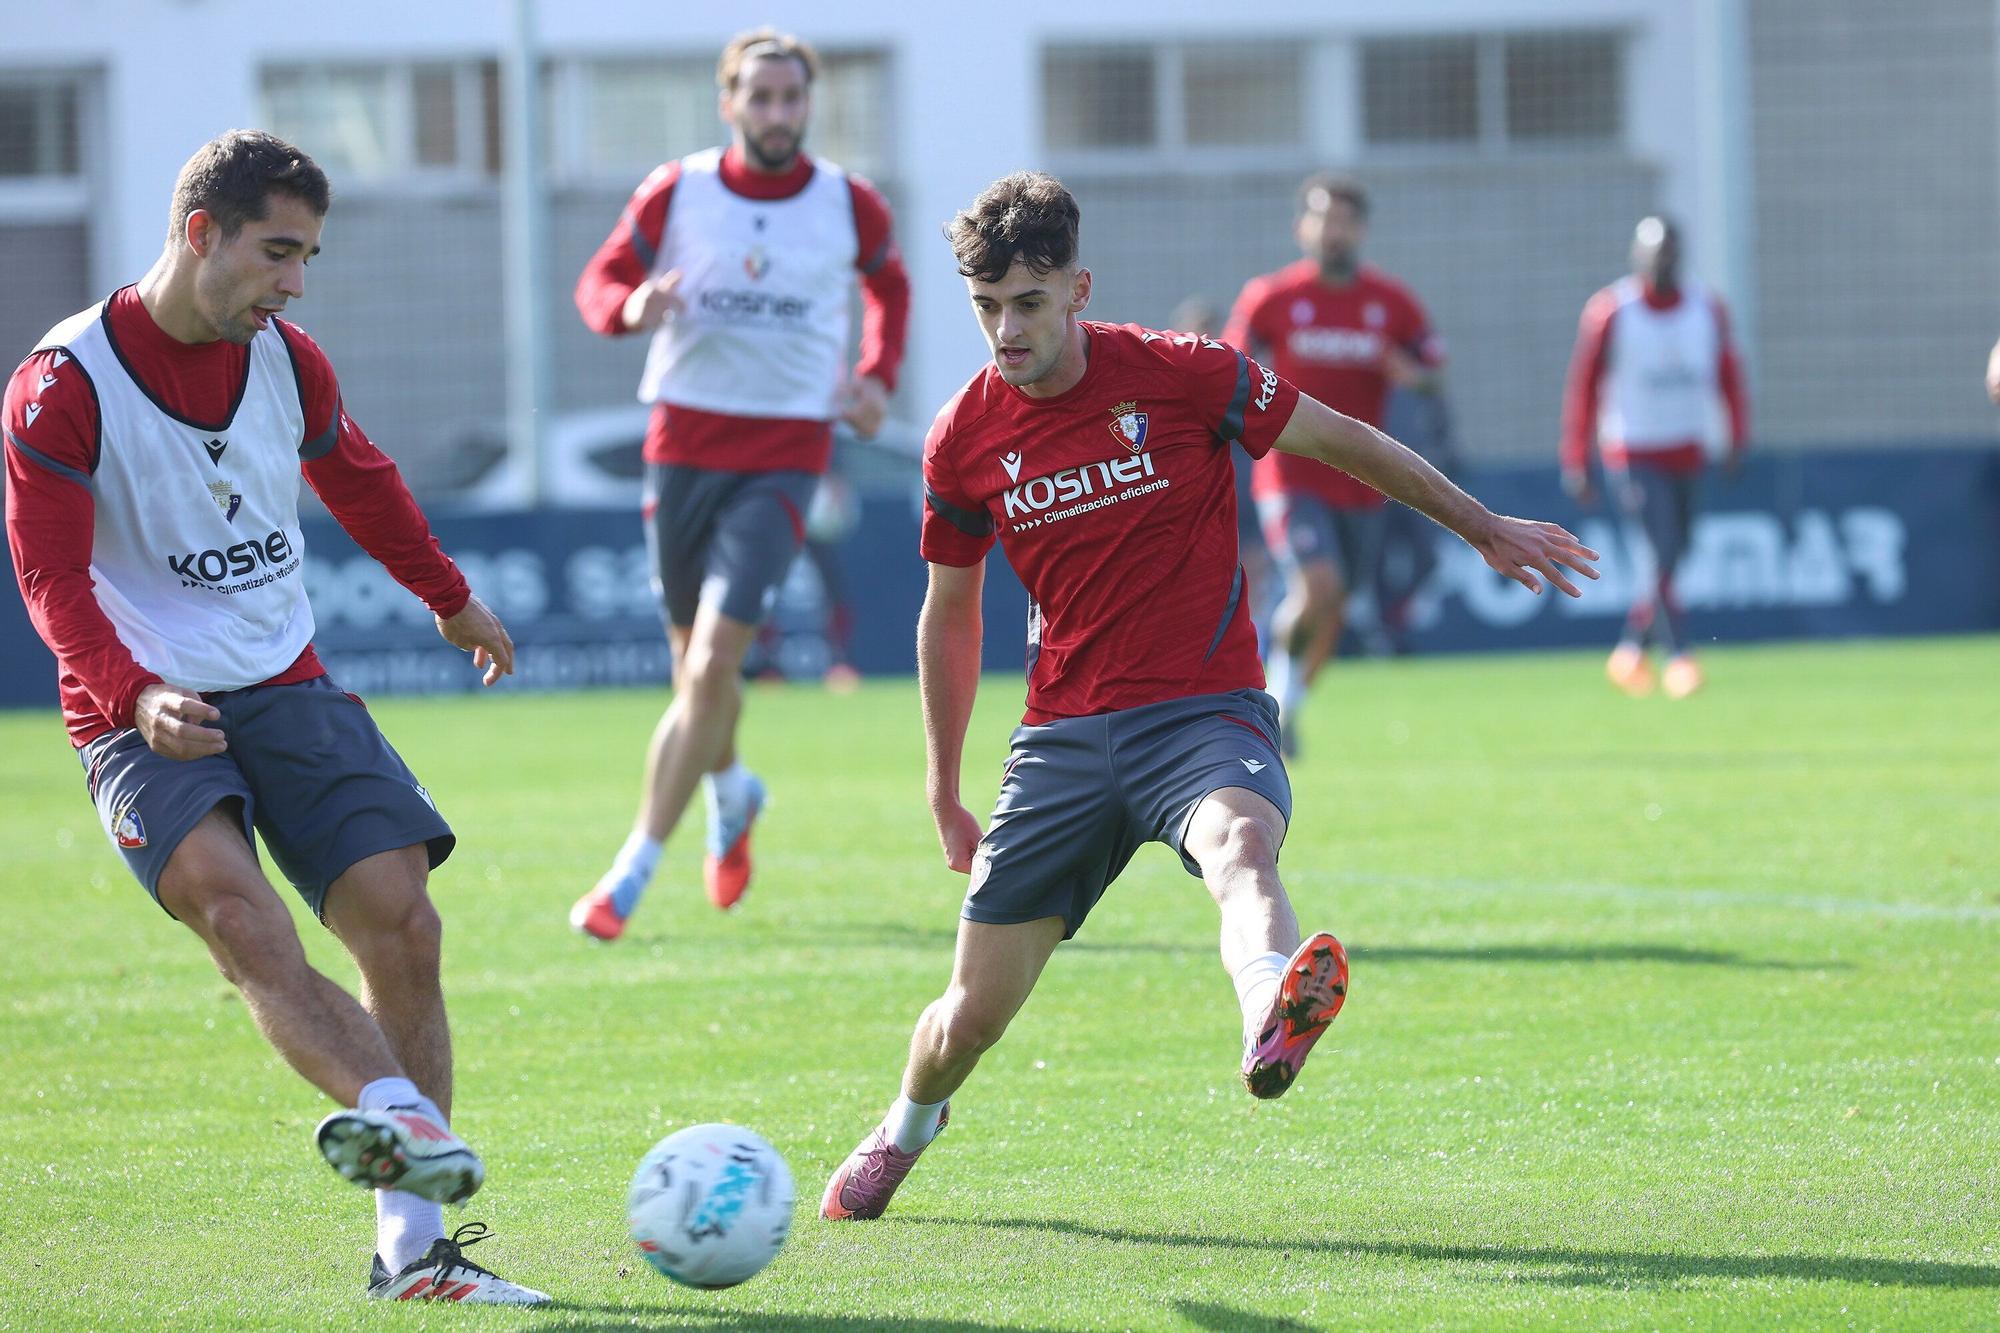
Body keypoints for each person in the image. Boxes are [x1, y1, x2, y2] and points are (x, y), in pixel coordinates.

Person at [819, 172, 1597, 1222]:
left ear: (1078, 288)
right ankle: (906, 1126)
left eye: (1029, 303)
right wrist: (941, 786)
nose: (1007, 331)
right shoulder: (962, 437)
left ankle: (1269, 1011)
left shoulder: (1184, 373)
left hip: (1201, 712)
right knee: (968, 1018)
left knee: (1241, 847)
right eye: (987, 307)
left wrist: (1481, 525)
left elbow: (1345, 440)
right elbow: (949, 614)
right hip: (1060, 739)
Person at [2, 131, 546, 1305]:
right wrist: (134, 692)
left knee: (403, 921)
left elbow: (359, 477)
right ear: (202, 233)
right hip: (133, 708)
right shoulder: (63, 383)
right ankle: (400, 1116)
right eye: (277, 253)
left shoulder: (288, 360)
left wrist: (448, 594)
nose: (296, 283)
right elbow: (48, 579)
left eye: (307, 257)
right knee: (243, 920)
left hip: (282, 677)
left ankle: (414, 1252)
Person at [570, 26, 909, 936]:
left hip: (786, 452)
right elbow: (601, 279)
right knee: (694, 667)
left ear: (808, 104)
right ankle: (731, 787)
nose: (777, 112)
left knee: (716, 660)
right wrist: (630, 306)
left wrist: (876, 375)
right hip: (682, 446)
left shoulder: (848, 202)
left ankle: (630, 870)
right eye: (760, 97)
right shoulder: (678, 188)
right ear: (729, 104)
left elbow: (891, 287)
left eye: (791, 97)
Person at [1223, 174, 1443, 753]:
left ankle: (1284, 707)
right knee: (1319, 584)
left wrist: (1413, 375)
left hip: (1364, 481)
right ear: (1303, 228)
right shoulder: (1271, 298)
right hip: (1290, 474)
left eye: (1344, 221)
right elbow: (1229, 365)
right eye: (1323, 220)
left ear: (1361, 230)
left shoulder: (1391, 302)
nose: (1333, 232)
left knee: (1336, 605)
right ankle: (1262, 705)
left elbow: (1433, 369)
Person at [1560, 216, 1749, 699]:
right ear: (1637, 255)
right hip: (1634, 450)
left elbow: (1729, 376)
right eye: (1653, 253)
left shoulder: (1707, 308)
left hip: (1688, 448)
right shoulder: (1611, 311)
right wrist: (1576, 456)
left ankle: (1630, 649)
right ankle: (1680, 656)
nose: (1661, 262)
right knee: (1659, 547)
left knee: (1676, 551)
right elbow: (1583, 387)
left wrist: (1736, 437)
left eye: (1669, 253)